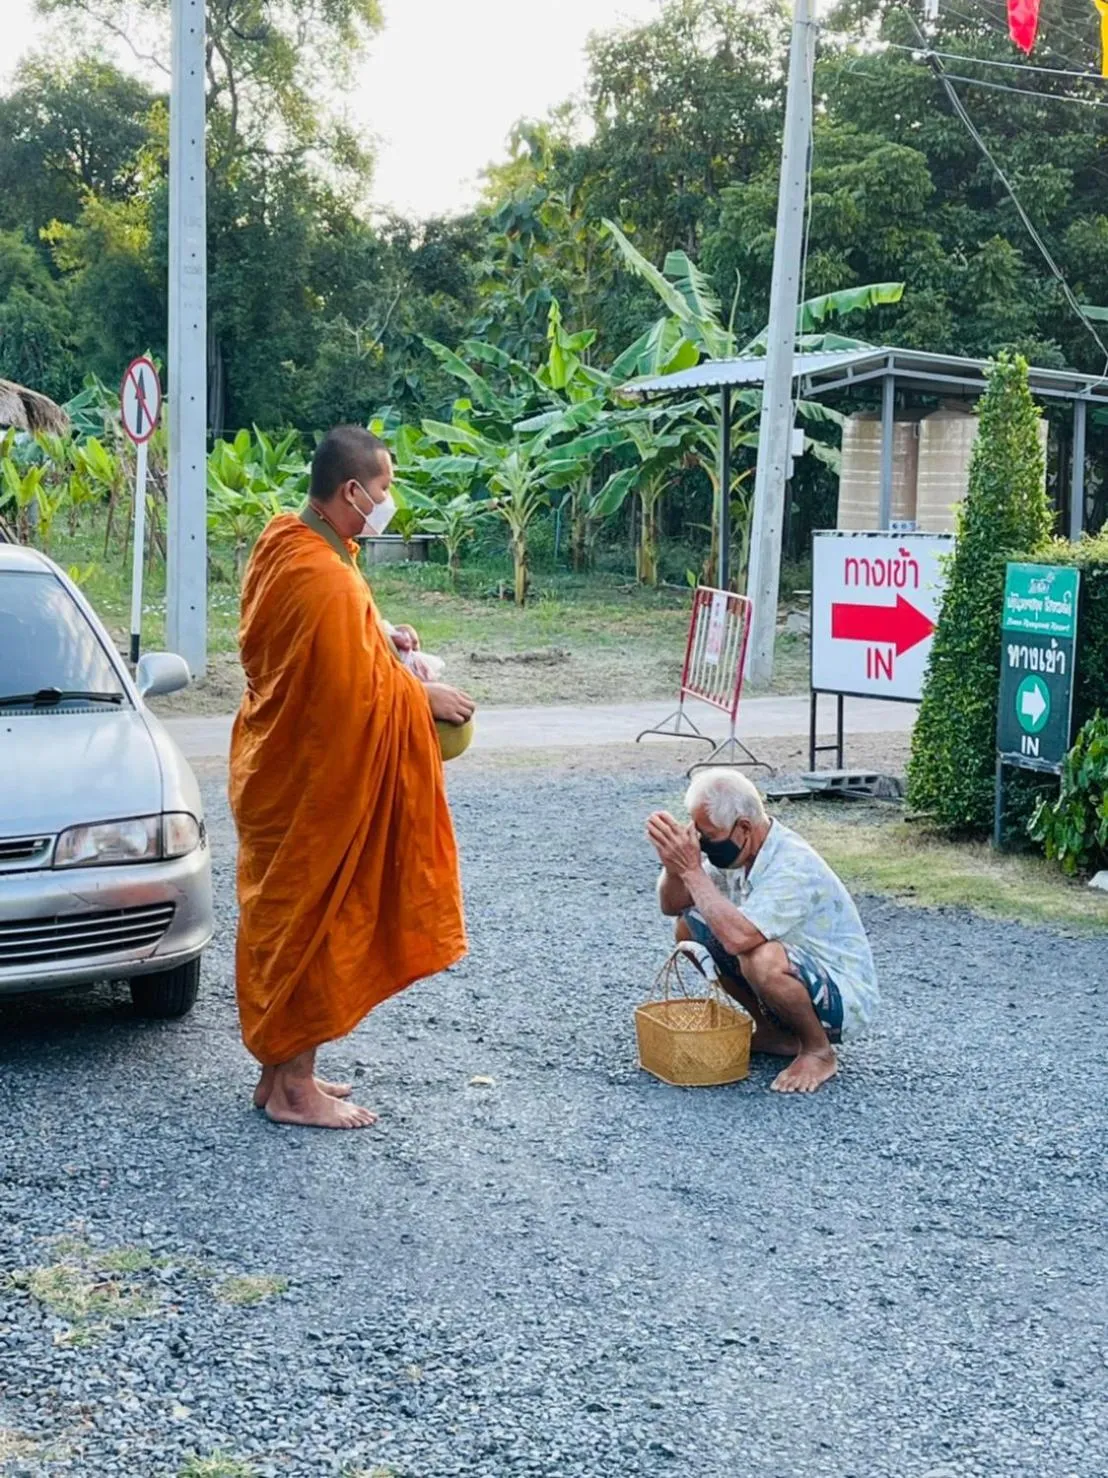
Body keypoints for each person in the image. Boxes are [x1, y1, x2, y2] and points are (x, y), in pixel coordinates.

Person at [229, 425, 474, 1129]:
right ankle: (295, 1090)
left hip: (277, 767)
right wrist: (420, 696)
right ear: (351, 491)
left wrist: (383, 637)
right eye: (386, 489)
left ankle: (280, 1075)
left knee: (289, 923)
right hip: (312, 786)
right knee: (317, 923)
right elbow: (346, 697)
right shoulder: (323, 575)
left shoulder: (288, 542)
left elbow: (336, 645)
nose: (388, 500)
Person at [646, 769, 879, 1094]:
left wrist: (691, 870)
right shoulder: (739, 848)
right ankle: (776, 1034)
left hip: (844, 998)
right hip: (797, 971)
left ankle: (818, 1051)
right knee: (690, 925)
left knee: (760, 956)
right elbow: (673, 906)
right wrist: (675, 868)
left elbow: (739, 938)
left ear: (743, 827)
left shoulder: (792, 866)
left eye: (707, 837)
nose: (701, 845)